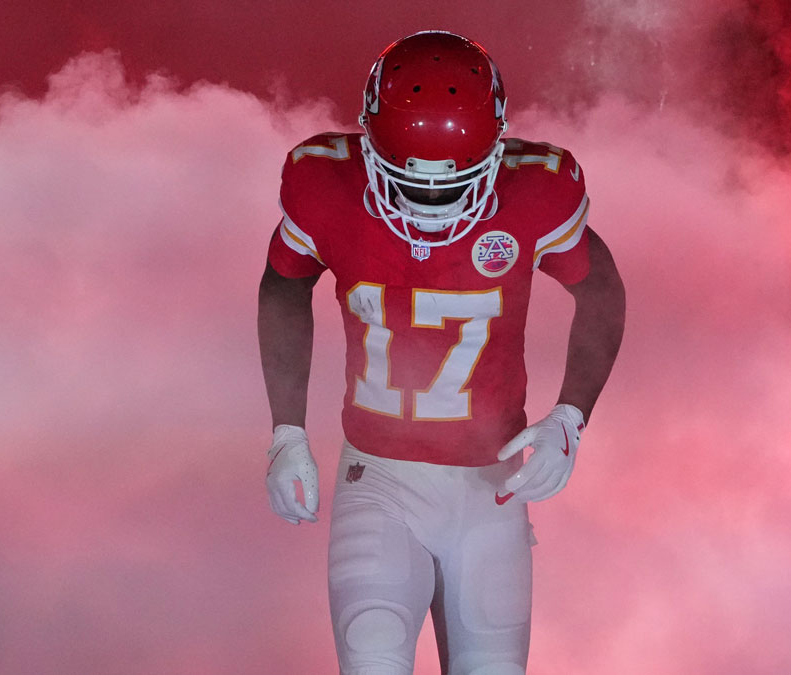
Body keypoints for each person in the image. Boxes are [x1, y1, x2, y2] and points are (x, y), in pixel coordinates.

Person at [258, 30, 625, 675]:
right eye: (409, 184)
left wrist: (570, 419)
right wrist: (286, 431)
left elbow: (602, 294)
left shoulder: (537, 192)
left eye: (449, 187)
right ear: (369, 148)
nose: (429, 205)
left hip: (492, 486)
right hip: (378, 478)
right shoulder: (324, 183)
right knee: (373, 661)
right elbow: (284, 285)